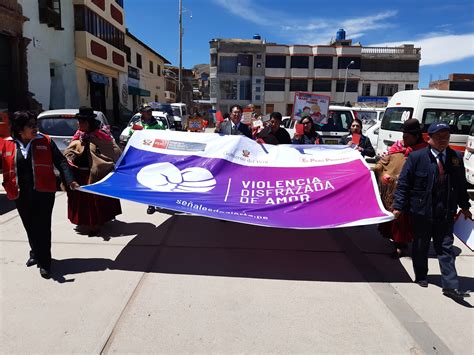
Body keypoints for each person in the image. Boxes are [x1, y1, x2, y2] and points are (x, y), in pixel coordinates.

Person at [392, 122, 472, 299]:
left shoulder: (455, 157)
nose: (443, 140)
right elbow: (404, 184)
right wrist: (399, 206)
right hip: (421, 211)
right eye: (439, 137)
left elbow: (460, 186)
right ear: (429, 138)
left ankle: (450, 285)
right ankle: (421, 275)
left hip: (445, 211)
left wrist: (465, 207)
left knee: (445, 247)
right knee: (420, 246)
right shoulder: (416, 158)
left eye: (446, 137)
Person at [1, 111, 79, 279]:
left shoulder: (46, 141)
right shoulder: (6, 144)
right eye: (31, 125)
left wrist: (70, 180)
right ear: (19, 129)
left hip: (44, 193)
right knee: (29, 226)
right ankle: (35, 252)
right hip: (19, 194)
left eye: (35, 124)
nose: (36, 128)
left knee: (42, 228)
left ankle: (45, 262)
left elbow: (61, 162)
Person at [373, 119, 428, 257]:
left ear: (416, 137)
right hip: (394, 190)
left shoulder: (424, 151)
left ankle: (401, 244)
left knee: (406, 220)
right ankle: (399, 242)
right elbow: (384, 162)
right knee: (396, 218)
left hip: (413, 191)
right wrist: (380, 171)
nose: (403, 139)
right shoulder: (397, 147)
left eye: (406, 137)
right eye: (403, 135)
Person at [64, 107, 122, 235]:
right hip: (79, 174)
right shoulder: (78, 135)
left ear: (88, 123)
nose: (78, 125)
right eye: (78, 122)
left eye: (81, 122)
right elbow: (71, 150)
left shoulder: (101, 136)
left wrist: (104, 163)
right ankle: (85, 221)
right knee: (81, 201)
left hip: (95, 174)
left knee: (95, 201)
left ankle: (95, 224)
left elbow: (115, 151)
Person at [128, 104, 166, 214]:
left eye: (150, 111)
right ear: (142, 113)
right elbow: (131, 139)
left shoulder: (159, 125)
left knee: (157, 179)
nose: (149, 112)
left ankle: (154, 201)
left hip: (156, 156)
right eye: (147, 111)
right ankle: (151, 203)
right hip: (143, 157)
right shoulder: (136, 125)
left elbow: (164, 139)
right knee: (148, 181)